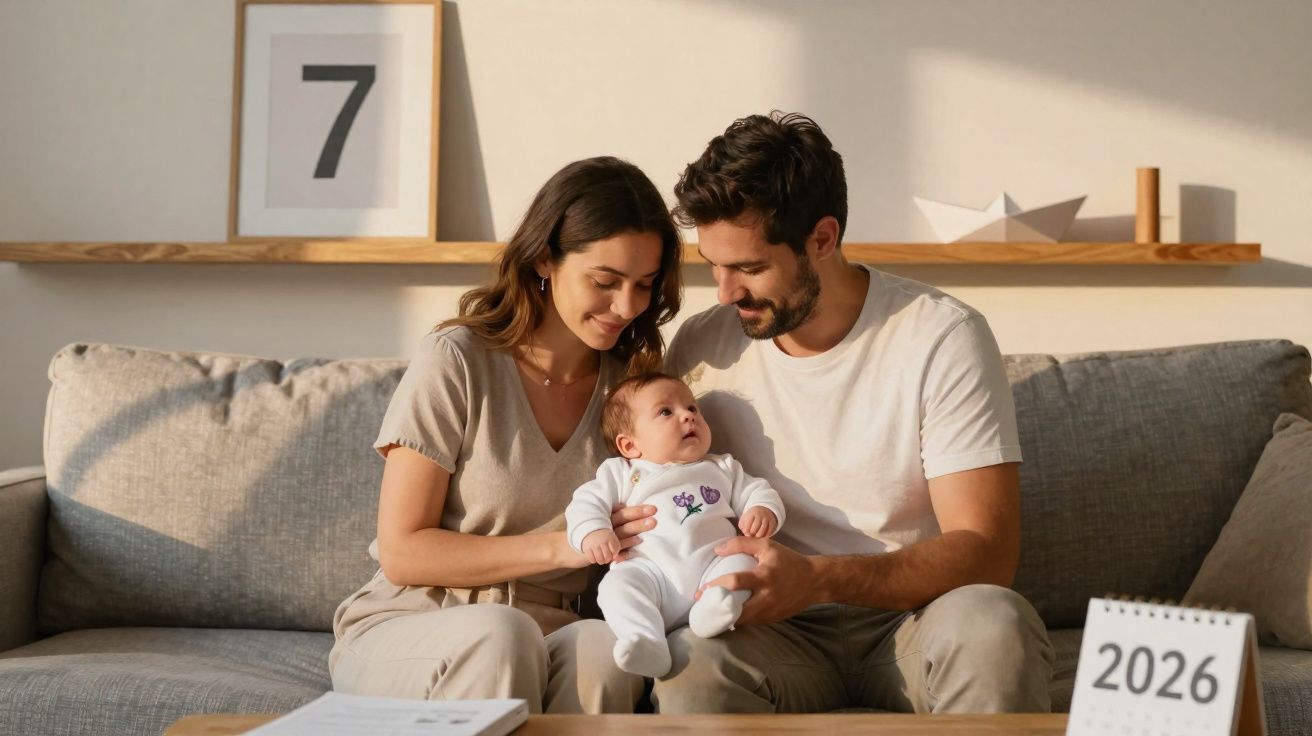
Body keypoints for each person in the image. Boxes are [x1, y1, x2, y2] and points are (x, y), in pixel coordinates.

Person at [655, 112, 1055, 714]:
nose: (726, 292)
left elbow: (988, 551)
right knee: (687, 668)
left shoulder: (941, 337)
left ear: (822, 239)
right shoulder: (703, 346)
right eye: (713, 264)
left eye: (750, 268)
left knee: (994, 624)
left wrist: (817, 578)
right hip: (769, 629)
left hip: (916, 619)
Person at [328, 156, 683, 714]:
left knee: (606, 648)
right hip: (416, 624)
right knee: (502, 635)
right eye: (605, 281)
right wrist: (563, 546)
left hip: (551, 630)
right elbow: (402, 551)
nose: (627, 306)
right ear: (544, 257)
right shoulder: (457, 361)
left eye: (644, 284)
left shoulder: (633, 394)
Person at [564, 372, 785, 678]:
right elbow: (586, 502)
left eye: (692, 408)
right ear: (630, 445)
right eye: (666, 412)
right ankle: (644, 640)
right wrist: (593, 531)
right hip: (650, 573)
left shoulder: (722, 467)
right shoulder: (622, 472)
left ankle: (716, 608)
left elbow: (758, 490)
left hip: (714, 564)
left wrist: (761, 509)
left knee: (745, 560)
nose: (688, 416)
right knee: (615, 587)